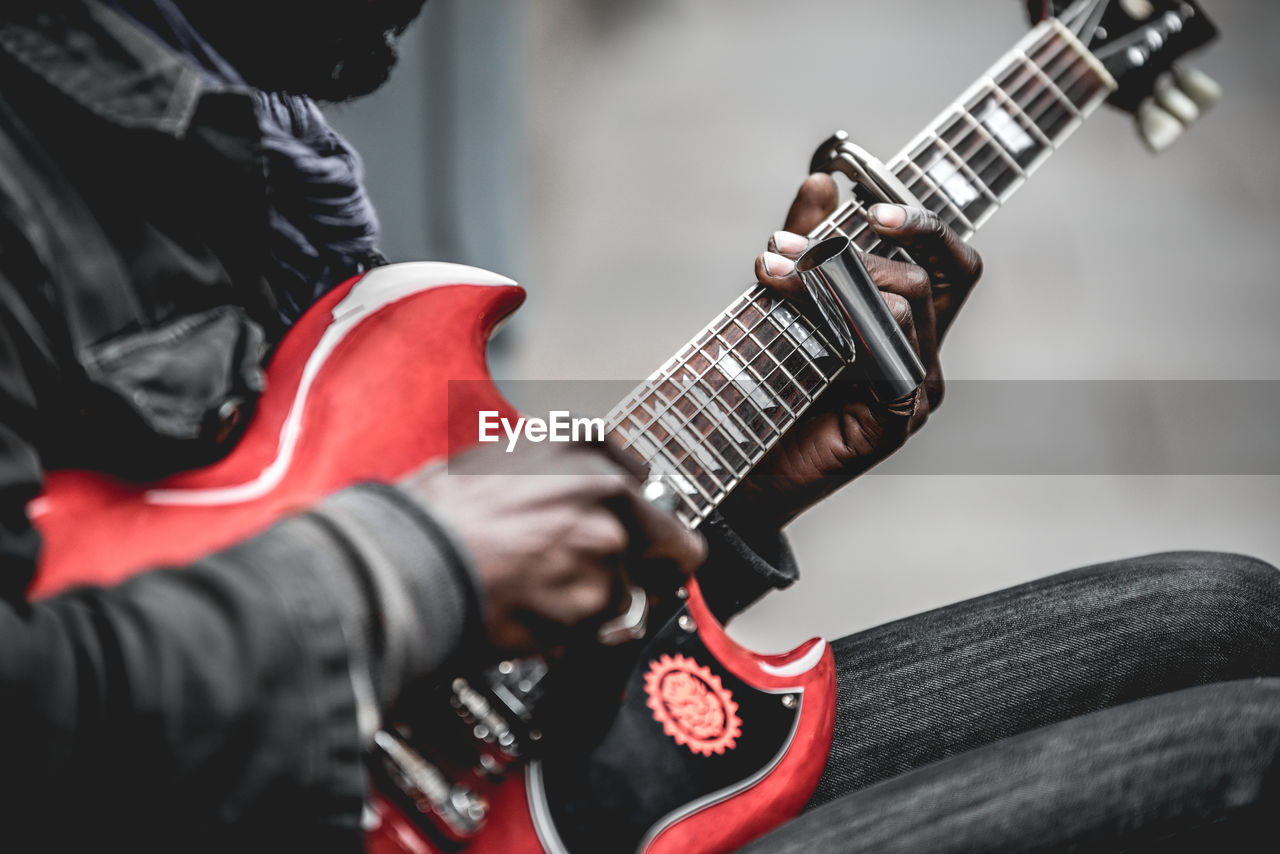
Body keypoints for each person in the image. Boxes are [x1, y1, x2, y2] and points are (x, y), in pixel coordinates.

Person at [0, 1, 1275, 853]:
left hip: (487, 777)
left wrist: (739, 496)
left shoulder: (238, 140)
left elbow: (315, 499)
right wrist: (412, 567)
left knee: (1226, 607)